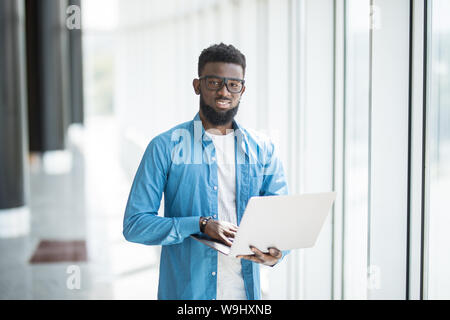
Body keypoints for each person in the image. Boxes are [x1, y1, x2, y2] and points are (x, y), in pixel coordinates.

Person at [123, 43, 289, 300]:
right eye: (214, 82)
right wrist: (199, 224)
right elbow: (135, 225)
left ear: (242, 90)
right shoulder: (165, 147)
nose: (224, 91)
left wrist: (277, 252)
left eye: (233, 84)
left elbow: (281, 222)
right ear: (197, 85)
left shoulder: (263, 149)